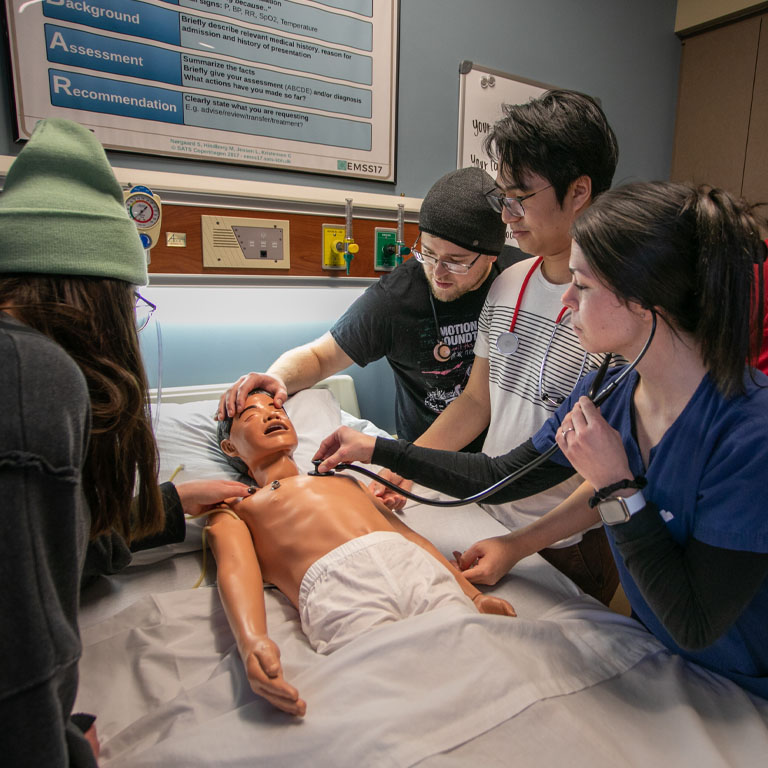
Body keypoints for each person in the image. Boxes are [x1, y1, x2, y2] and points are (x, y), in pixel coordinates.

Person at [313, 181, 768, 700]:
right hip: (662, 658)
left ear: (644, 302)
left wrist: (617, 487)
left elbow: (696, 622)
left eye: (582, 285)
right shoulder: (616, 386)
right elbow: (501, 474)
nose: (566, 301)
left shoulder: (750, 434)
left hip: (741, 686)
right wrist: (378, 450)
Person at [0, 119, 249, 767]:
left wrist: (165, 507)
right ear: (101, 298)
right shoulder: (30, 378)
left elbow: (46, 548)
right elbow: (21, 675)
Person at [377, 90, 621, 605]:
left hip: (564, 541)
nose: (507, 214)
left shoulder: (619, 310)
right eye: (502, 197)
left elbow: (615, 472)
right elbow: (475, 402)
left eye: (521, 197)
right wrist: (406, 467)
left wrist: (519, 545)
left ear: (579, 191)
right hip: (485, 512)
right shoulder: (510, 283)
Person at [207, 389, 516, 716]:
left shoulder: (347, 482)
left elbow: (410, 537)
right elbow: (236, 570)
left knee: (482, 668)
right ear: (230, 446)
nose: (272, 414)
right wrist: (252, 641)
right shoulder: (238, 507)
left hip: (412, 567)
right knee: (392, 697)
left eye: (276, 408)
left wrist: (473, 597)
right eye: (252, 414)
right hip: (338, 588)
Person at [216, 166, 520, 458]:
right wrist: (276, 378)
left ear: (492, 256)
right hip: (429, 455)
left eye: (456, 261)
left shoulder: (519, 281)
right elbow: (320, 357)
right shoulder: (395, 300)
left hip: (507, 449)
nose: (438, 272)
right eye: (427, 253)